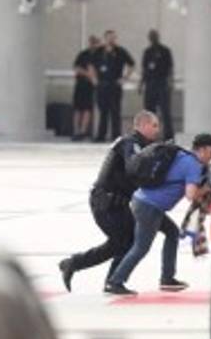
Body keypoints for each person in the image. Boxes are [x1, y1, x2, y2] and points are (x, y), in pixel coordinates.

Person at [58, 110, 161, 293]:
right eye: (154, 125)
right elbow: (133, 167)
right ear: (143, 125)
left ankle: (91, 271)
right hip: (106, 203)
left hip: (116, 203)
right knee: (124, 241)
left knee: (124, 241)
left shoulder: (137, 144)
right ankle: (105, 278)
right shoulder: (130, 143)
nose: (157, 130)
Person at [106, 133, 211, 296]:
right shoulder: (193, 165)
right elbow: (191, 195)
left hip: (144, 201)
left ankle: (167, 278)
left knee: (172, 233)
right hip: (149, 207)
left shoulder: (182, 155)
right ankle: (115, 282)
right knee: (141, 247)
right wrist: (207, 189)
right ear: (201, 150)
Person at [94, 30, 135, 143]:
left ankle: (115, 136)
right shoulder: (99, 51)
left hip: (114, 84)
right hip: (102, 84)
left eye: (113, 38)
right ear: (105, 38)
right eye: (109, 37)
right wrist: (94, 79)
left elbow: (131, 64)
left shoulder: (120, 51)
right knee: (103, 111)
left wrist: (124, 78)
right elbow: (90, 64)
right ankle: (101, 135)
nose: (111, 40)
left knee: (115, 111)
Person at [140, 29, 175, 141]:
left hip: (162, 83)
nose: (153, 38)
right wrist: (141, 84)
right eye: (151, 36)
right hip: (150, 84)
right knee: (149, 112)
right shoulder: (147, 52)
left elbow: (170, 68)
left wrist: (170, 82)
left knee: (165, 111)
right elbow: (144, 69)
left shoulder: (165, 51)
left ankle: (169, 136)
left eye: (154, 36)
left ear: (158, 37)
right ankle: (149, 136)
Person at [72, 36, 99, 142]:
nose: (94, 45)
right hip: (80, 84)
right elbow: (77, 68)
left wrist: (93, 77)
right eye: (92, 43)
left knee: (88, 109)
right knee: (78, 108)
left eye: (95, 43)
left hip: (90, 86)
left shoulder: (99, 55)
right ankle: (76, 131)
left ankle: (83, 131)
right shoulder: (83, 54)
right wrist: (88, 74)